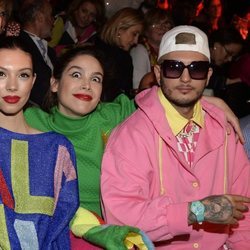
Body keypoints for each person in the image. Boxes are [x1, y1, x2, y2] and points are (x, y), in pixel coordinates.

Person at [101, 25, 250, 249]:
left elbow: (245, 215)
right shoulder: (131, 136)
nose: (186, 78)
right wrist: (195, 211)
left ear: (208, 76)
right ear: (158, 73)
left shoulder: (225, 130)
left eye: (197, 69)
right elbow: (121, 219)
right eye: (174, 67)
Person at [24, 45, 154, 249]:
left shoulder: (114, 116)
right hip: (60, 233)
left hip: (115, 230)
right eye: (76, 75)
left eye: (96, 79)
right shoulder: (31, 122)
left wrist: (209, 103)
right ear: (55, 83)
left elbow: (159, 104)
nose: (87, 85)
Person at [0, 36, 79, 248]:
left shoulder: (57, 149)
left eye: (23, 75)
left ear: (33, 81)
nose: (13, 86)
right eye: (1, 74)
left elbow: (60, 232)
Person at [94, 7, 144, 101]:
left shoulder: (93, 46)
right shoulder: (122, 59)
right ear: (120, 29)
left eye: (138, 36)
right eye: (134, 34)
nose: (136, 41)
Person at [18, 0, 57, 106]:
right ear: (40, 17)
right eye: (51, 15)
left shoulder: (50, 52)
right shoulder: (19, 46)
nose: (53, 21)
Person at [130, 8, 174, 90]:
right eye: (156, 24)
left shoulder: (170, 52)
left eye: (166, 24)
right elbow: (138, 86)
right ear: (146, 30)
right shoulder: (140, 50)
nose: (162, 28)